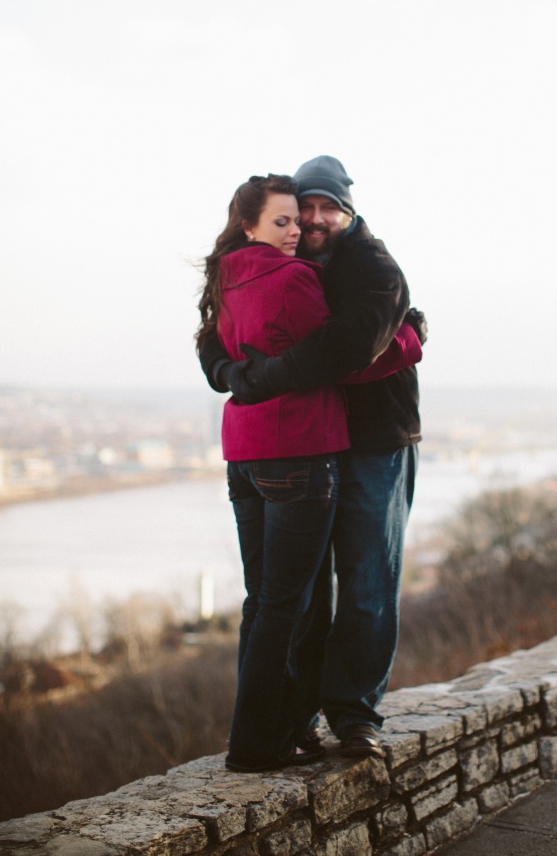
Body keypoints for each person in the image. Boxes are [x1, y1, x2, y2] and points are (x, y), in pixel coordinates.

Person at [197, 172, 421, 772]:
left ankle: (317, 720)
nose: (305, 225)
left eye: (319, 212)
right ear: (251, 223)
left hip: (304, 447)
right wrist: (410, 340)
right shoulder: (290, 275)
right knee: (291, 603)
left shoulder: (238, 275)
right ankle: (267, 735)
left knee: (307, 594)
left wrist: (240, 376)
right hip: (299, 447)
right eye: (292, 216)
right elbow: (334, 354)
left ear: (349, 212)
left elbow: (329, 352)